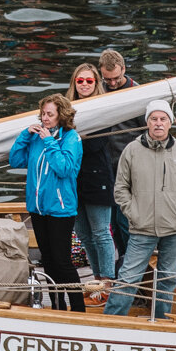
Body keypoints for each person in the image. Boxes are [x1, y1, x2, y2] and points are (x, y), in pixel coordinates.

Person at [103, 100, 176, 318]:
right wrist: (134, 213)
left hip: (173, 228)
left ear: (170, 123)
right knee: (128, 278)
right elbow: (121, 188)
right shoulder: (132, 151)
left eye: (163, 119)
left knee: (167, 279)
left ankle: (161, 322)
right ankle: (111, 321)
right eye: (153, 119)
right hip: (142, 227)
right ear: (147, 122)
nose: (158, 123)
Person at [9, 93, 84, 312]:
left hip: (61, 210)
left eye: (50, 114)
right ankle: (58, 309)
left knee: (62, 263)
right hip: (39, 210)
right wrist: (25, 135)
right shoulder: (36, 138)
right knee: (49, 262)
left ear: (61, 115)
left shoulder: (71, 138)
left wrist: (49, 141)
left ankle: (78, 310)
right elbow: (15, 160)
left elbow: (64, 169)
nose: (45, 119)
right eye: (43, 114)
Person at [66, 64, 115, 305]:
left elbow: (95, 145)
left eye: (89, 81)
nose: (84, 84)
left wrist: (69, 138)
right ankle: (96, 280)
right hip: (73, 180)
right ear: (74, 84)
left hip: (97, 178)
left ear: (97, 83)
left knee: (100, 232)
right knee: (84, 234)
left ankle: (107, 283)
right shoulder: (66, 110)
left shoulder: (103, 110)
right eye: (80, 81)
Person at [98, 49, 142, 263]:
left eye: (116, 78)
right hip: (106, 167)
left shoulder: (138, 93)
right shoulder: (98, 91)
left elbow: (148, 132)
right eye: (108, 79)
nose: (112, 83)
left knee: (125, 219)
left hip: (130, 167)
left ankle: (129, 260)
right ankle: (122, 257)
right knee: (113, 221)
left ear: (124, 69)